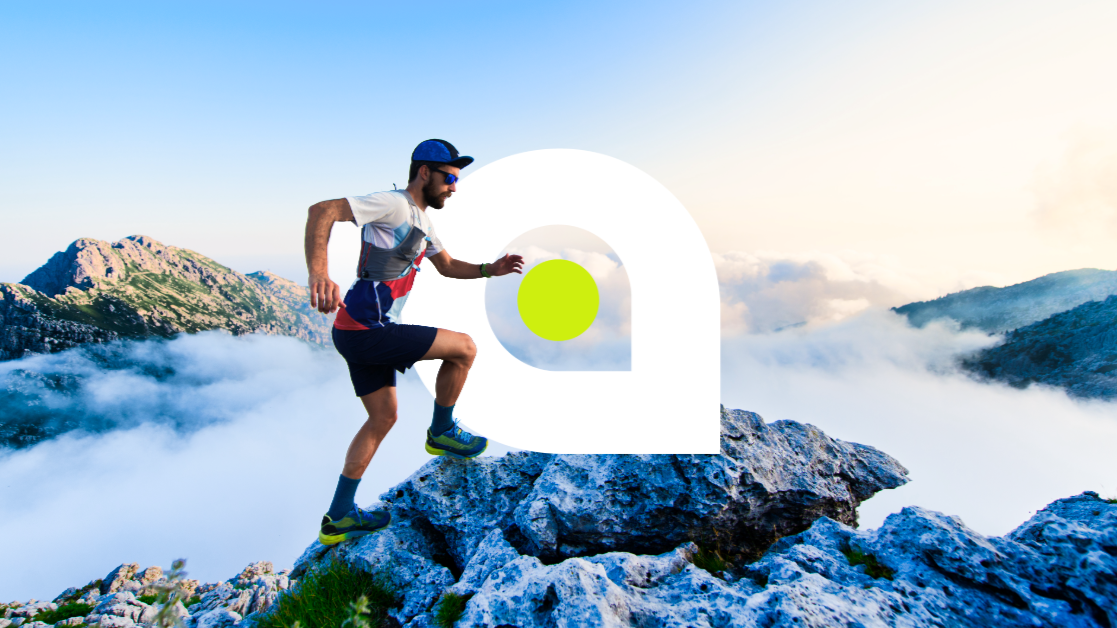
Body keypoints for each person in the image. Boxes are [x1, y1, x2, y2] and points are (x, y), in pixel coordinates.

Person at [303, 139, 523, 545]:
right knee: (465, 348)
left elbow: (449, 266)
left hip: (356, 330)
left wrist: (491, 269)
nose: (454, 187)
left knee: (383, 417)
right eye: (449, 178)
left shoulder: (423, 221)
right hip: (368, 328)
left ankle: (338, 516)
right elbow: (322, 211)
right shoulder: (393, 204)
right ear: (425, 172)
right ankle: (442, 431)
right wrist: (320, 273)